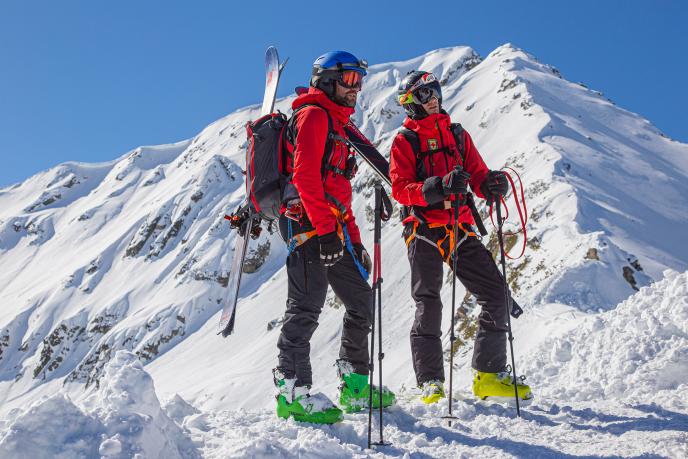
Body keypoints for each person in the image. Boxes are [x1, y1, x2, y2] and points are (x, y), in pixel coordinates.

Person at [389, 70, 532, 404]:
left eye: (435, 91)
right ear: (410, 103)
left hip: (459, 225)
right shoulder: (404, 141)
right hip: (423, 227)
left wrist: (491, 185)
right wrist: (438, 186)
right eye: (424, 94)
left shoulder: (457, 134)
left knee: (495, 292)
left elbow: (479, 175)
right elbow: (400, 188)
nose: (433, 98)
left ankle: (489, 375)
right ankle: (431, 382)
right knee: (429, 303)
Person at [273, 51, 395, 424]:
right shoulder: (313, 115)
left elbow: (340, 192)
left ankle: (355, 384)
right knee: (306, 306)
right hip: (307, 225)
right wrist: (326, 234)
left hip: (332, 226)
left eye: (359, 80)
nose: (355, 88)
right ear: (326, 80)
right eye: (348, 79)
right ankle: (291, 393)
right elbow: (306, 177)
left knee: (360, 299)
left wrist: (353, 240)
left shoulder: (338, 126)